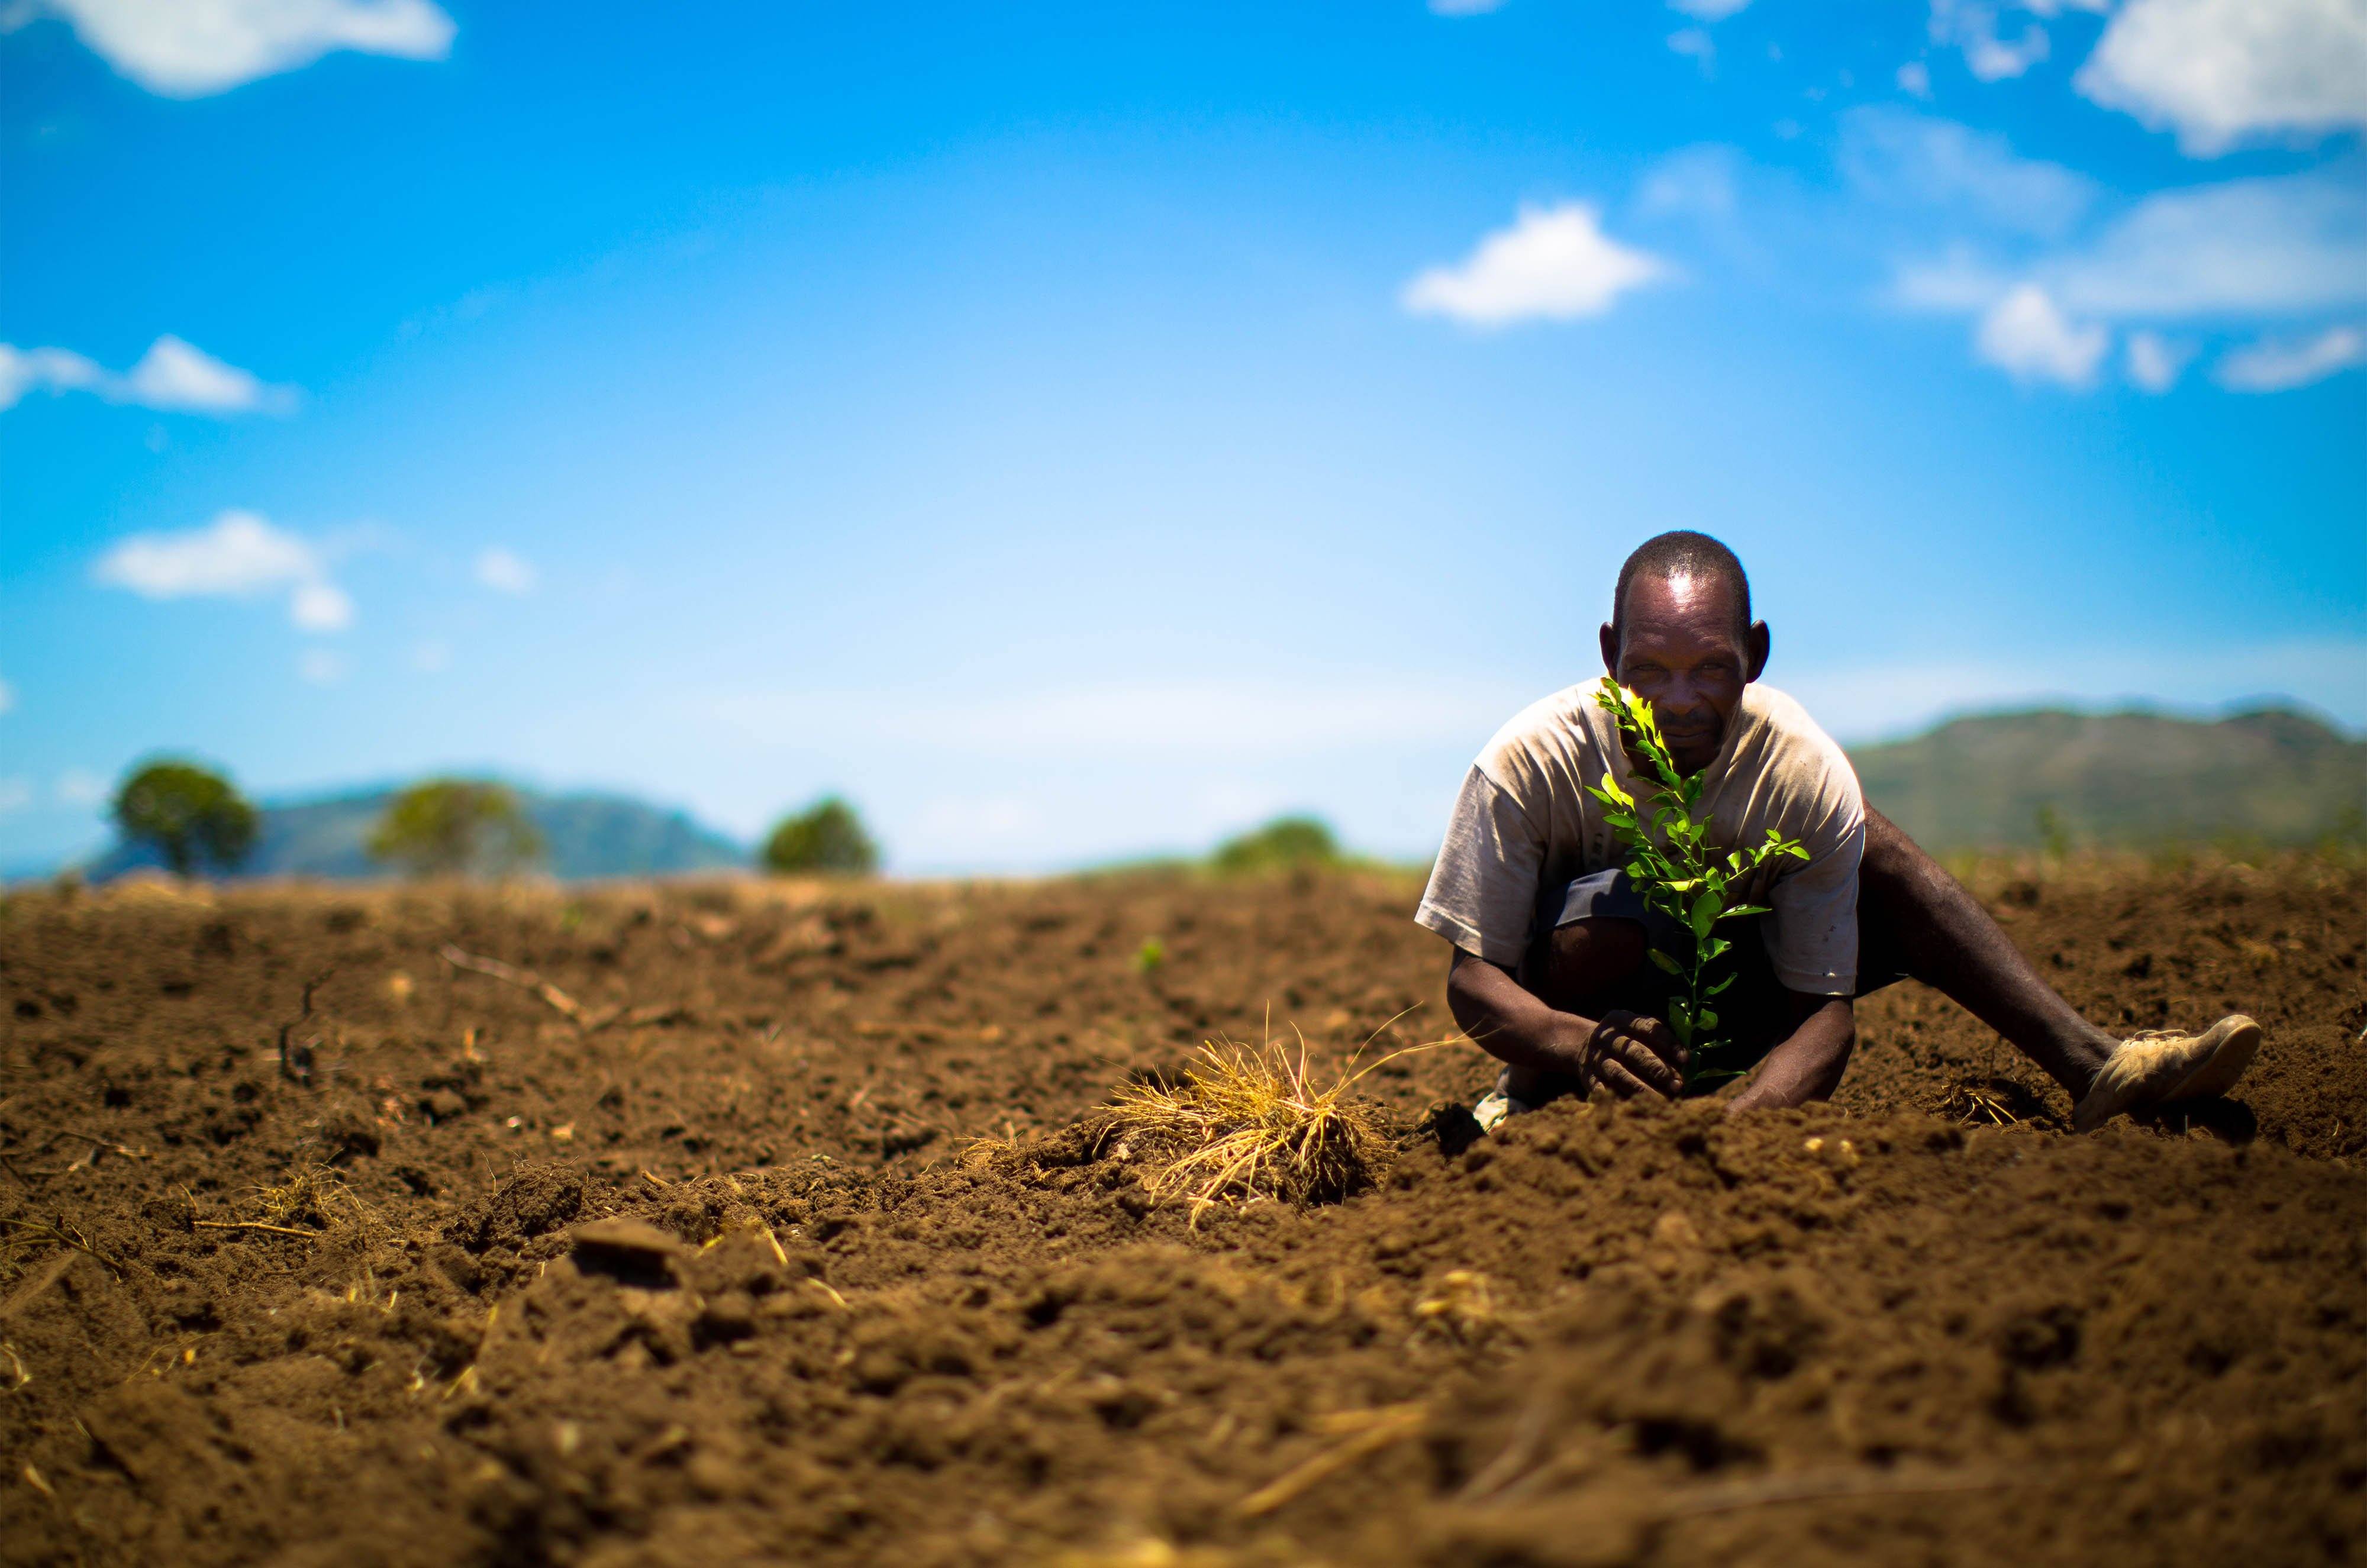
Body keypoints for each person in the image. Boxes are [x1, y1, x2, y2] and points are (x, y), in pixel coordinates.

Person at [1417, 530, 2259, 1131]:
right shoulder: (1528, 763)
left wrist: (1729, 1135)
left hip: (1740, 1015)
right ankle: (1530, 1101)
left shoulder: (1801, 768)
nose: (1679, 702)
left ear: (1756, 652)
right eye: (1649, 672)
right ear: (1610, 654)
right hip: (1580, 1028)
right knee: (1610, 915)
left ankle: (2095, 1067)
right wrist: (1580, 1044)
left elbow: (1825, 1015)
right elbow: (1472, 981)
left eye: (1711, 668)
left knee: (1874, 847)